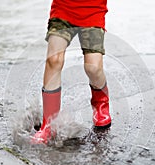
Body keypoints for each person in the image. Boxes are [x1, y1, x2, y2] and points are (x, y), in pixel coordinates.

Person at [32, 0, 111, 144]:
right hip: (63, 8)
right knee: (53, 60)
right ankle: (49, 124)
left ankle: (101, 104)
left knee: (93, 67)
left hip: (93, 10)